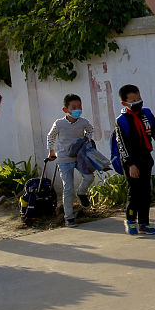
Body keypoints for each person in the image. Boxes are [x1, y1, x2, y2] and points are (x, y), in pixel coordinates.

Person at [113, 84, 155, 236]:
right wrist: (130, 165)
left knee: (145, 192)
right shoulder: (121, 120)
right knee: (134, 193)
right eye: (133, 100)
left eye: (139, 98)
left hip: (145, 158)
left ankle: (144, 223)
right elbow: (122, 145)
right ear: (124, 103)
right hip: (131, 161)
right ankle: (130, 220)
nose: (138, 102)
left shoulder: (146, 114)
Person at [46, 93, 96, 227]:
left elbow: (90, 130)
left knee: (89, 176)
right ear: (65, 109)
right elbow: (51, 136)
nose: (77, 110)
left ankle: (81, 192)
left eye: (79, 107)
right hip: (64, 159)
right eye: (74, 107)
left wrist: (87, 140)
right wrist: (51, 151)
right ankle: (69, 217)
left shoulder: (83, 122)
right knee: (68, 188)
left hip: (80, 157)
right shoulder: (59, 123)